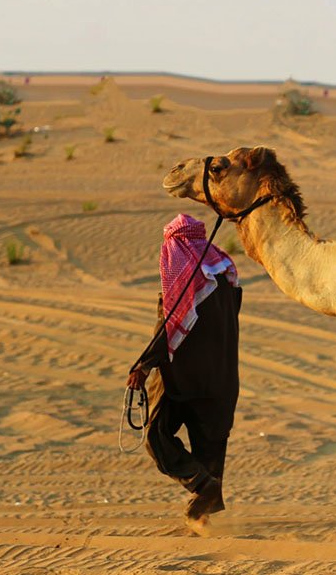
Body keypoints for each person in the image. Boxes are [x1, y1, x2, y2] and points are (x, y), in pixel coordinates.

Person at [126, 213, 242, 535]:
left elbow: (169, 329)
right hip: (221, 380)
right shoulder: (226, 275)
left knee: (155, 436)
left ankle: (202, 490)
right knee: (210, 448)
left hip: (180, 379)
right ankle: (205, 514)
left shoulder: (182, 283)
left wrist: (143, 365)